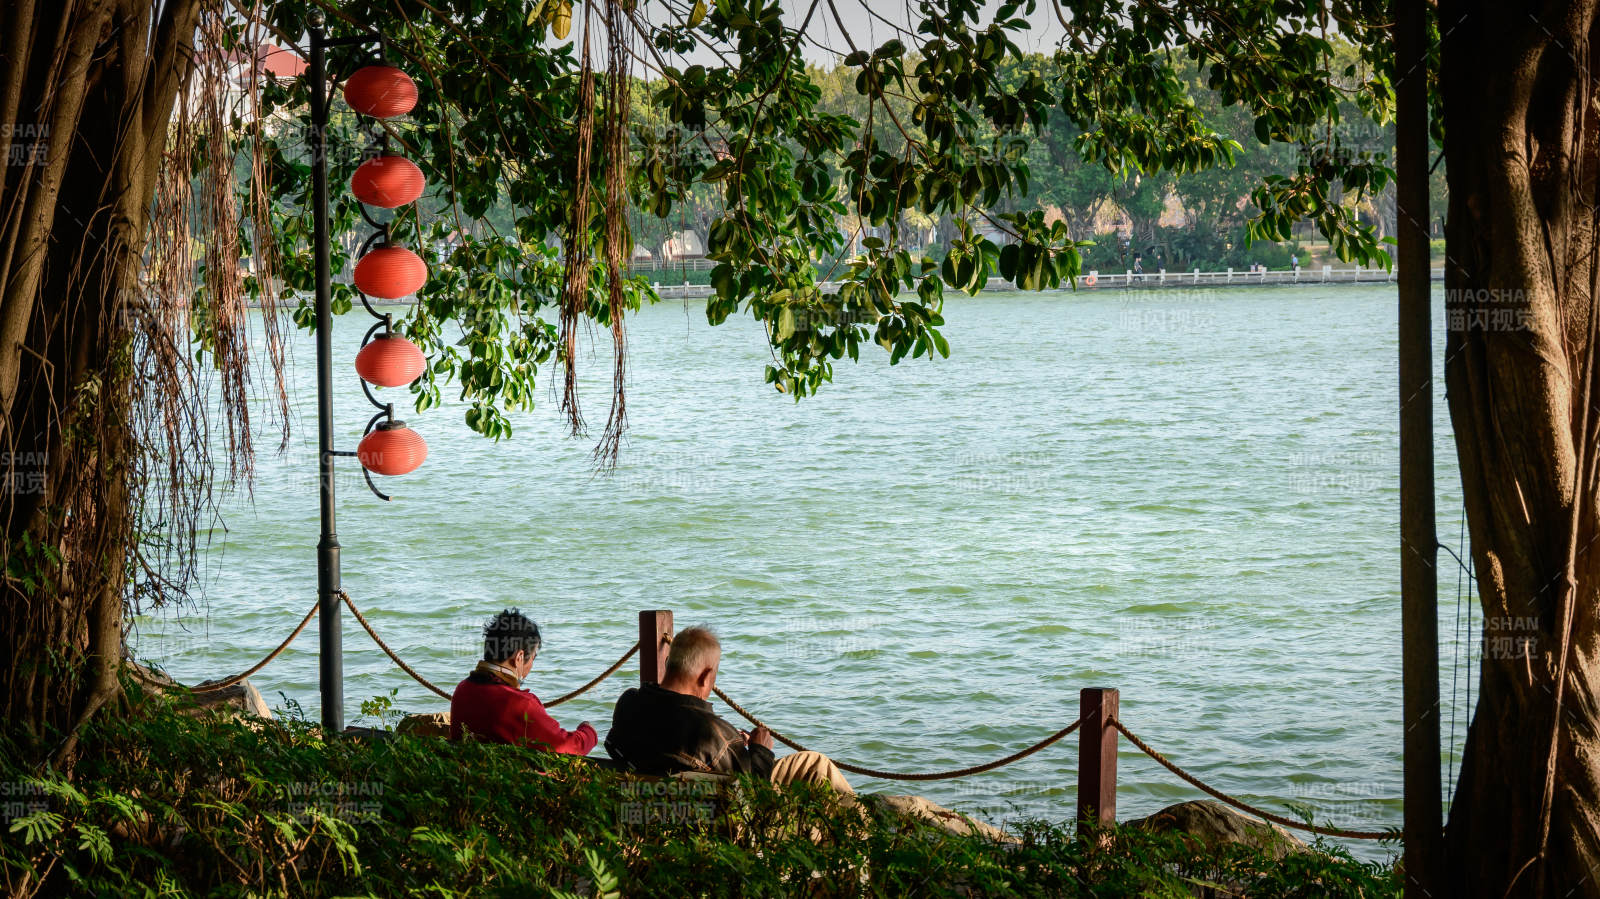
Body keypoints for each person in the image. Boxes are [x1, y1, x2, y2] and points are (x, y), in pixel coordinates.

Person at [605, 626, 852, 791]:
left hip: (654, 807)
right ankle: (865, 833)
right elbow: (755, 792)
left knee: (809, 761)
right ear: (706, 676)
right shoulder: (713, 734)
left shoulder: (628, 704)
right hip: (715, 819)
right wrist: (760, 750)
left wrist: (735, 747)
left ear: (669, 663)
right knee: (816, 765)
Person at [450, 608, 597, 755]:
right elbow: (569, 746)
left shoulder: (462, 690)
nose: (531, 664)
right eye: (533, 657)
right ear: (519, 657)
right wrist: (588, 731)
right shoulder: (520, 704)